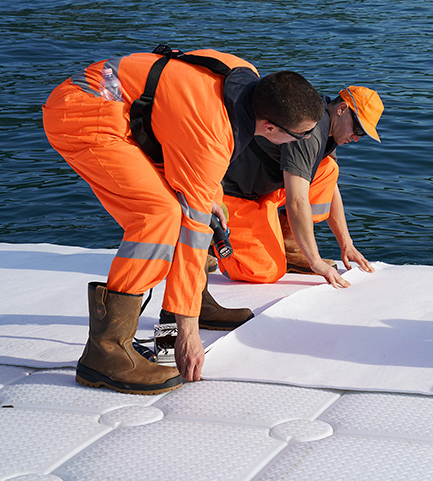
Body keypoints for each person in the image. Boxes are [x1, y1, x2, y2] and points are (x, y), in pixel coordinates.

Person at [43, 46, 325, 394]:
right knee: (159, 214)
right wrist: (188, 336)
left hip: (133, 112)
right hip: (85, 112)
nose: (308, 141)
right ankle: (107, 351)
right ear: (269, 127)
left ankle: (186, 310)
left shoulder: (246, 79)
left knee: (201, 207)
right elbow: (193, 234)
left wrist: (211, 197)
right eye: (301, 136)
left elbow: (183, 121)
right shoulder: (213, 134)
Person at [218, 86, 383, 289]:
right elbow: (296, 201)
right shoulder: (309, 132)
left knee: (329, 169)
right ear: (341, 108)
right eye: (357, 129)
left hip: (264, 188)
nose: (356, 137)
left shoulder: (327, 123)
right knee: (265, 271)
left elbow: (330, 187)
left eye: (363, 134)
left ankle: (291, 247)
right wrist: (316, 262)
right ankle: (212, 242)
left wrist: (346, 243)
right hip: (234, 193)